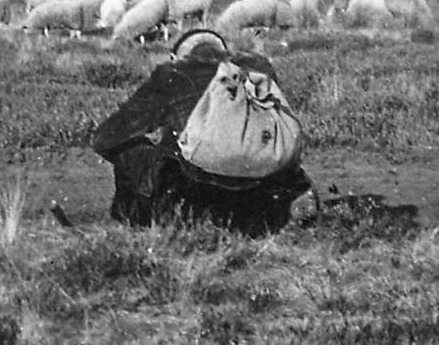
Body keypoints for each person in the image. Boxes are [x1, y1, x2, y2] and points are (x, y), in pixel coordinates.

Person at [91, 29, 314, 236]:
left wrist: (161, 139)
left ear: (177, 56)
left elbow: (104, 138)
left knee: (128, 147)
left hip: (195, 194)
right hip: (261, 195)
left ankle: (137, 224)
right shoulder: (258, 67)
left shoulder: (172, 72)